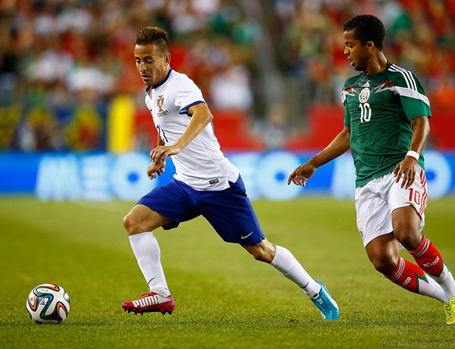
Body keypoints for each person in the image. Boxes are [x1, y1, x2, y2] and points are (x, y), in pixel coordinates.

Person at [121, 26, 339, 320]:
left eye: (148, 60)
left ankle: (314, 289)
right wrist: (161, 155)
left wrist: (175, 147)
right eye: (138, 60)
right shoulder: (151, 94)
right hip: (184, 185)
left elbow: (203, 115)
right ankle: (160, 294)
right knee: (134, 222)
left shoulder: (180, 85)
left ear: (166, 59)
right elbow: (165, 127)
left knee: (261, 251)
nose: (142, 67)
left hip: (218, 186)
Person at [288, 15, 455, 325]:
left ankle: (454, 290)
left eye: (350, 45)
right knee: (383, 261)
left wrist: (412, 156)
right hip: (366, 181)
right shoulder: (349, 87)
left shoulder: (401, 78)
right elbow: (348, 135)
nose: (344, 51)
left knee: (406, 232)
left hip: (400, 171)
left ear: (369, 45)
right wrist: (313, 162)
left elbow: (421, 122)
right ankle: (450, 298)